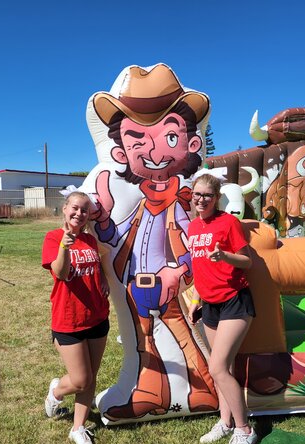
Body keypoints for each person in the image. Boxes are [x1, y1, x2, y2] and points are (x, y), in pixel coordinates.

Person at [90, 64, 218, 421]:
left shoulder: (181, 202)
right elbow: (119, 239)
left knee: (184, 338)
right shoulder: (140, 205)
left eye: (169, 137)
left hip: (166, 284)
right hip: (137, 287)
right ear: (121, 151)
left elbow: (195, 243)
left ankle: (206, 389)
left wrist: (178, 273)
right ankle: (148, 392)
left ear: (192, 144)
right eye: (137, 141)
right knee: (143, 341)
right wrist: (102, 220)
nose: (155, 152)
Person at [186, 173, 258, 444]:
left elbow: (247, 261)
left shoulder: (228, 222)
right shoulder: (192, 227)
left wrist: (225, 256)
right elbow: (201, 269)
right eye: (197, 195)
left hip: (235, 302)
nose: (201, 199)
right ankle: (225, 422)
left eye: (207, 195)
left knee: (217, 368)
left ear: (216, 199)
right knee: (222, 368)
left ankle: (245, 430)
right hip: (210, 305)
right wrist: (196, 299)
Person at [41, 191, 110, 444]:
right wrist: (64, 247)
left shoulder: (91, 240)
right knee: (81, 380)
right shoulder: (53, 238)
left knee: (90, 378)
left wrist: (102, 276)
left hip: (97, 316)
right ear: (64, 209)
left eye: (84, 210)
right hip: (68, 319)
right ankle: (56, 392)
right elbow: (60, 272)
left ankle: (77, 428)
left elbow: (100, 258)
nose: (79, 214)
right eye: (75, 208)